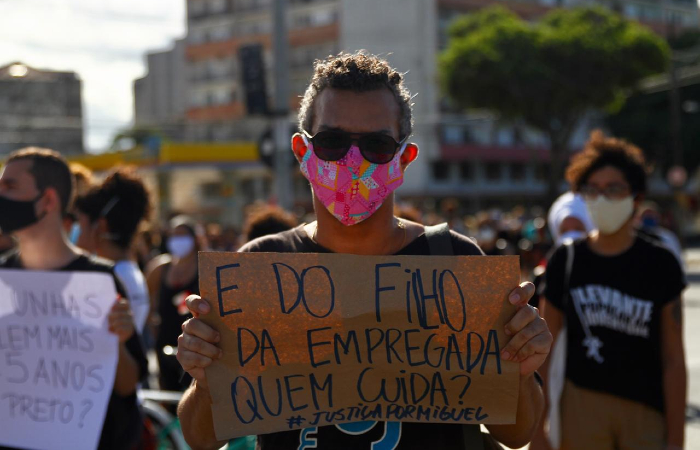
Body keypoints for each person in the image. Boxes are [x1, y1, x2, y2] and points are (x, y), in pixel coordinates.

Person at [175, 51, 552, 449]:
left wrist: (521, 371)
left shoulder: (455, 262)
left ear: (403, 158)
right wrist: (205, 376)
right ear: (303, 152)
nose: (353, 162)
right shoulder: (260, 267)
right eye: (332, 142)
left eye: (376, 145)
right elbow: (201, 437)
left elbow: (515, 434)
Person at [536, 131, 687, 449]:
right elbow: (544, 350)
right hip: (581, 405)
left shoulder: (661, 262)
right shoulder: (567, 258)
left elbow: (674, 358)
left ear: (636, 197)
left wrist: (676, 438)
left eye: (614, 189)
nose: (602, 199)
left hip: (645, 409)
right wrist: (538, 428)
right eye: (592, 190)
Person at [0, 147, 148, 449]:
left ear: (48, 200)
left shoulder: (99, 281)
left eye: (9, 187)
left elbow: (126, 385)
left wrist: (117, 339)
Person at [73, 166, 153, 334]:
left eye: (79, 225)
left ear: (100, 226)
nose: (75, 233)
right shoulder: (129, 272)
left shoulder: (108, 279)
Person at [146, 215, 202, 391]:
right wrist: (152, 324)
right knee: (167, 390)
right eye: (174, 235)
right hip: (165, 340)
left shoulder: (204, 268)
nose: (178, 240)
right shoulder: (160, 268)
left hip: (195, 343)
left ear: (194, 238)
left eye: (182, 235)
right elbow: (147, 301)